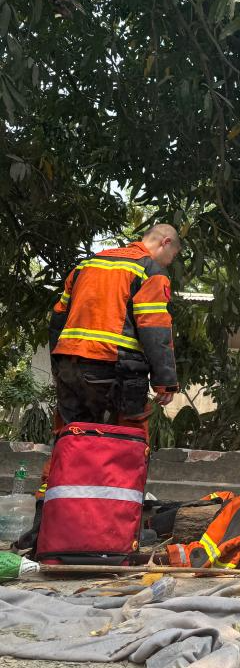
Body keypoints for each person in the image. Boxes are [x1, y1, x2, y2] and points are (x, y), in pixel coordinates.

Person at [17, 225, 182, 549]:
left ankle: (44, 527)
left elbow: (57, 319)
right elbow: (154, 327)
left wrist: (62, 366)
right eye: (172, 256)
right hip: (117, 370)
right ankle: (118, 531)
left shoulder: (88, 264)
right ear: (165, 243)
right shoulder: (149, 270)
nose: (169, 263)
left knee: (69, 441)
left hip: (70, 365)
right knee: (127, 445)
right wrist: (165, 380)